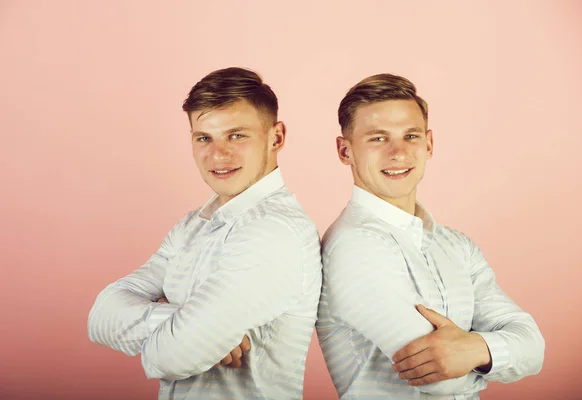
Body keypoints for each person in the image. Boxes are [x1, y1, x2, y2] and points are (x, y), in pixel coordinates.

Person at [88, 67, 322, 400]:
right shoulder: (192, 225)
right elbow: (100, 318)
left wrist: (169, 331)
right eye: (204, 138)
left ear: (276, 137)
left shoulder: (275, 232)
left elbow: (168, 358)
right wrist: (181, 321)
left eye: (237, 135)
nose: (218, 154)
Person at [316, 73, 545, 399]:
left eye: (411, 136)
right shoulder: (352, 246)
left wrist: (475, 349)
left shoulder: (455, 245)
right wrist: (491, 354)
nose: (398, 152)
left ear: (429, 144)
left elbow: (534, 347)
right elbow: (439, 380)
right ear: (344, 151)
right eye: (378, 138)